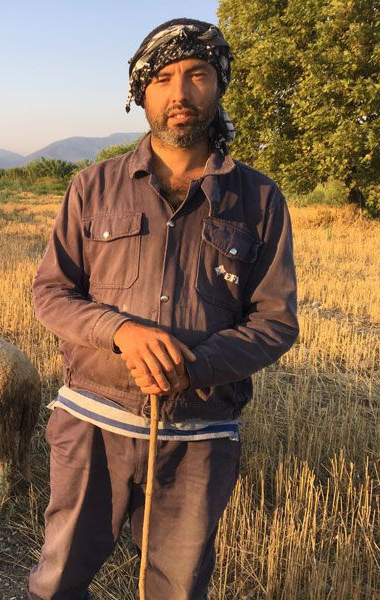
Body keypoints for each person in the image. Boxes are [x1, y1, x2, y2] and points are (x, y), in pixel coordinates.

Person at [28, 18, 299, 600]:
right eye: (163, 79)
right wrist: (122, 331)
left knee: (178, 589)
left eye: (197, 74)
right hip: (92, 427)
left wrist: (193, 364)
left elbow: (275, 321)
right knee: (58, 581)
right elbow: (50, 293)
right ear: (140, 93)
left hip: (200, 438)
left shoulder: (259, 199)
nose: (180, 94)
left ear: (219, 84)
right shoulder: (92, 187)